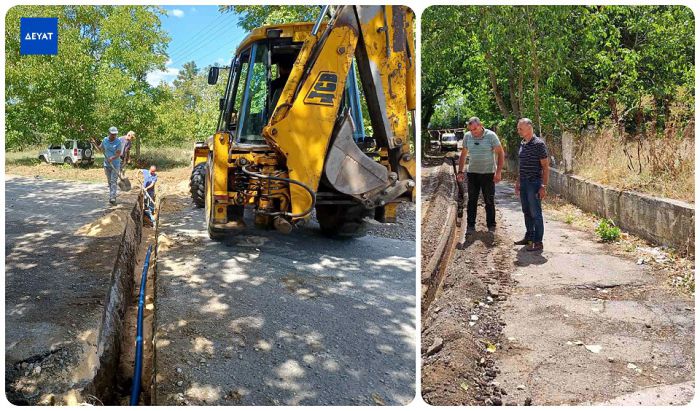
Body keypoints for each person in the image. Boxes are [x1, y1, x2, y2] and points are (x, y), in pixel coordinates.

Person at [456, 117, 505, 233]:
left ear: (480, 125)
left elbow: (501, 153)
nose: (473, 132)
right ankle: (471, 226)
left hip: (488, 173)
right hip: (473, 173)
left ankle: (491, 225)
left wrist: (498, 172)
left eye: (475, 129)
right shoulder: (467, 136)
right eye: (471, 130)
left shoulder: (491, 136)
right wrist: (460, 171)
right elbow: (463, 154)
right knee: (472, 200)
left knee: (489, 199)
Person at [514, 118, 549, 251]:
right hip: (523, 183)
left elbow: (545, 167)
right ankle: (529, 237)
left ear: (529, 127)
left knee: (536, 213)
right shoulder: (522, 144)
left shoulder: (539, 144)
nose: (518, 131)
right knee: (526, 211)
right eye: (518, 128)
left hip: (534, 183)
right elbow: (521, 166)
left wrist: (543, 186)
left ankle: (538, 242)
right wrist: (518, 182)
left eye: (520, 128)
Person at [99, 126, 122, 205]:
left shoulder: (118, 142)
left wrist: (112, 158)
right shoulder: (105, 140)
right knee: (109, 182)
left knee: (113, 180)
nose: (114, 136)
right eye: (112, 134)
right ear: (109, 133)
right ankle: (111, 195)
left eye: (115, 134)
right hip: (106, 164)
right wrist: (100, 148)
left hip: (115, 164)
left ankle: (113, 197)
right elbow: (101, 148)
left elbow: (118, 153)